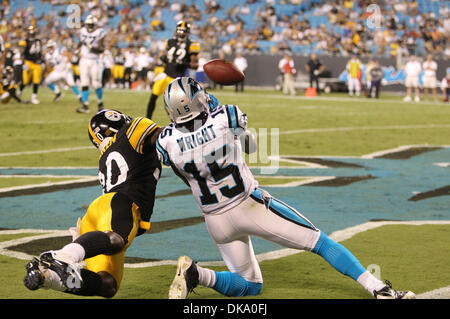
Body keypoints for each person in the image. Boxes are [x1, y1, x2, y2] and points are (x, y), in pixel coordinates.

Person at [157, 77, 416, 300]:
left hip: (215, 220)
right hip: (249, 205)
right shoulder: (226, 115)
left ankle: (196, 274)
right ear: (198, 98)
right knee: (320, 242)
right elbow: (251, 148)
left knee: (250, 286)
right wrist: (222, 116)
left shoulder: (166, 141)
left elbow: (184, 173)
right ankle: (378, 288)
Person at [24, 109, 163, 298]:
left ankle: (46, 277)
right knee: (117, 239)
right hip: (120, 205)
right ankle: (63, 256)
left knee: (107, 285)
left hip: (99, 217)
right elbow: (166, 136)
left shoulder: (106, 154)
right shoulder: (133, 132)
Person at [146, 20, 200, 119]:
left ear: (187, 32)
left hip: (177, 79)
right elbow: (168, 58)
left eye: (183, 31)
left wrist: (184, 63)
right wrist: (164, 59)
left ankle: (177, 124)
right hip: (165, 75)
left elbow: (195, 65)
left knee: (173, 106)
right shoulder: (170, 42)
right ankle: (147, 120)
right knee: (152, 98)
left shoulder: (191, 44)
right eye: (179, 30)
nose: (181, 33)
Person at [76, 15, 106, 114]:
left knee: (96, 83)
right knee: (84, 83)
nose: (89, 26)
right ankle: (85, 105)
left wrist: (91, 47)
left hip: (95, 60)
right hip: (84, 60)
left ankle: (100, 103)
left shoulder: (100, 32)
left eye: (91, 24)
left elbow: (102, 49)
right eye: (88, 24)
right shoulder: (82, 31)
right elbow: (81, 42)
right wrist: (77, 48)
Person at [19, 25, 43, 105]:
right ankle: (19, 93)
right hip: (28, 62)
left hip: (37, 63)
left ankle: (34, 97)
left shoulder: (38, 41)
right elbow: (22, 53)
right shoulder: (25, 41)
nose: (31, 33)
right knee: (25, 80)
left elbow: (40, 51)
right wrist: (23, 63)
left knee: (36, 81)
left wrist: (42, 58)